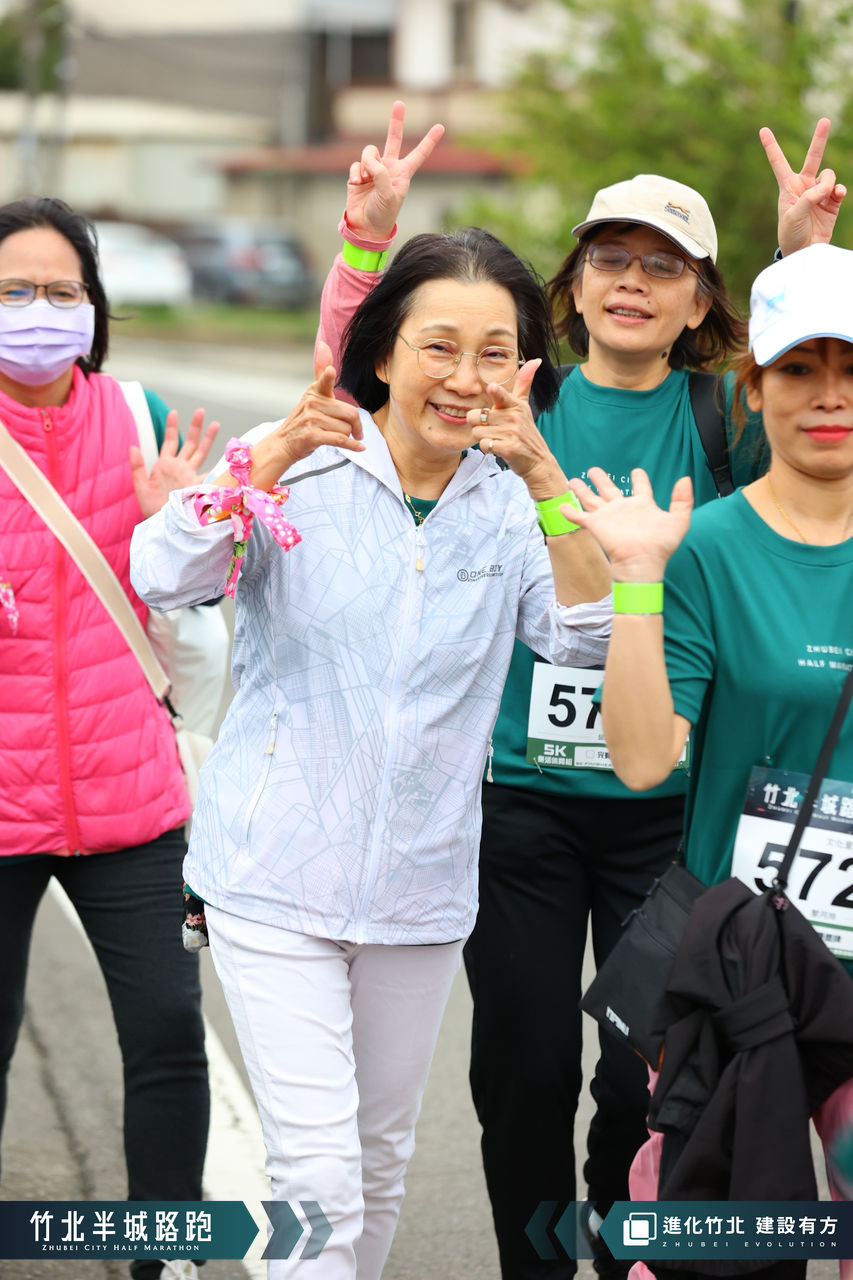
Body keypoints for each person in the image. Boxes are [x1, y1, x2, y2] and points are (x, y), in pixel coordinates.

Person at [317, 102, 846, 1279]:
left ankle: (622, 1253)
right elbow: (361, 380)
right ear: (573, 283)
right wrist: (365, 243)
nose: (632, 283)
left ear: (702, 302)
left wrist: (800, 256)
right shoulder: (520, 399)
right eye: (611, 258)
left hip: (666, 807)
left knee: (638, 1073)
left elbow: (814, 400)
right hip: (520, 802)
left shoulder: (720, 414)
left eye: (665, 267)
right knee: (522, 1066)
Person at [128, 216, 615, 1280]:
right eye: (439, 345)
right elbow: (163, 573)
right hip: (273, 875)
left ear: (525, 371)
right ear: (384, 352)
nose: (465, 377)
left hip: (419, 888)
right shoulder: (301, 458)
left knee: (380, 1158)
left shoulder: (512, 501)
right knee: (318, 1173)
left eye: (494, 352)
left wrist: (545, 482)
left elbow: (586, 636)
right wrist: (262, 462)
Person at [566, 239, 853, 1280]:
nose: (829, 395)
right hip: (742, 972)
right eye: (798, 368)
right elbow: (645, 760)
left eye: (851, 368)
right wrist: (637, 580)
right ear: (753, 387)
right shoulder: (708, 548)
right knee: (719, 1250)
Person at [0, 196, 219, 1280]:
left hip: (130, 794)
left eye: (62, 290)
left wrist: (185, 521)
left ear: (94, 307)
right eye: (13, 291)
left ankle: (162, 1251)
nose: (40, 311)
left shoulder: (141, 417)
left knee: (169, 1033)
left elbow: (206, 595)